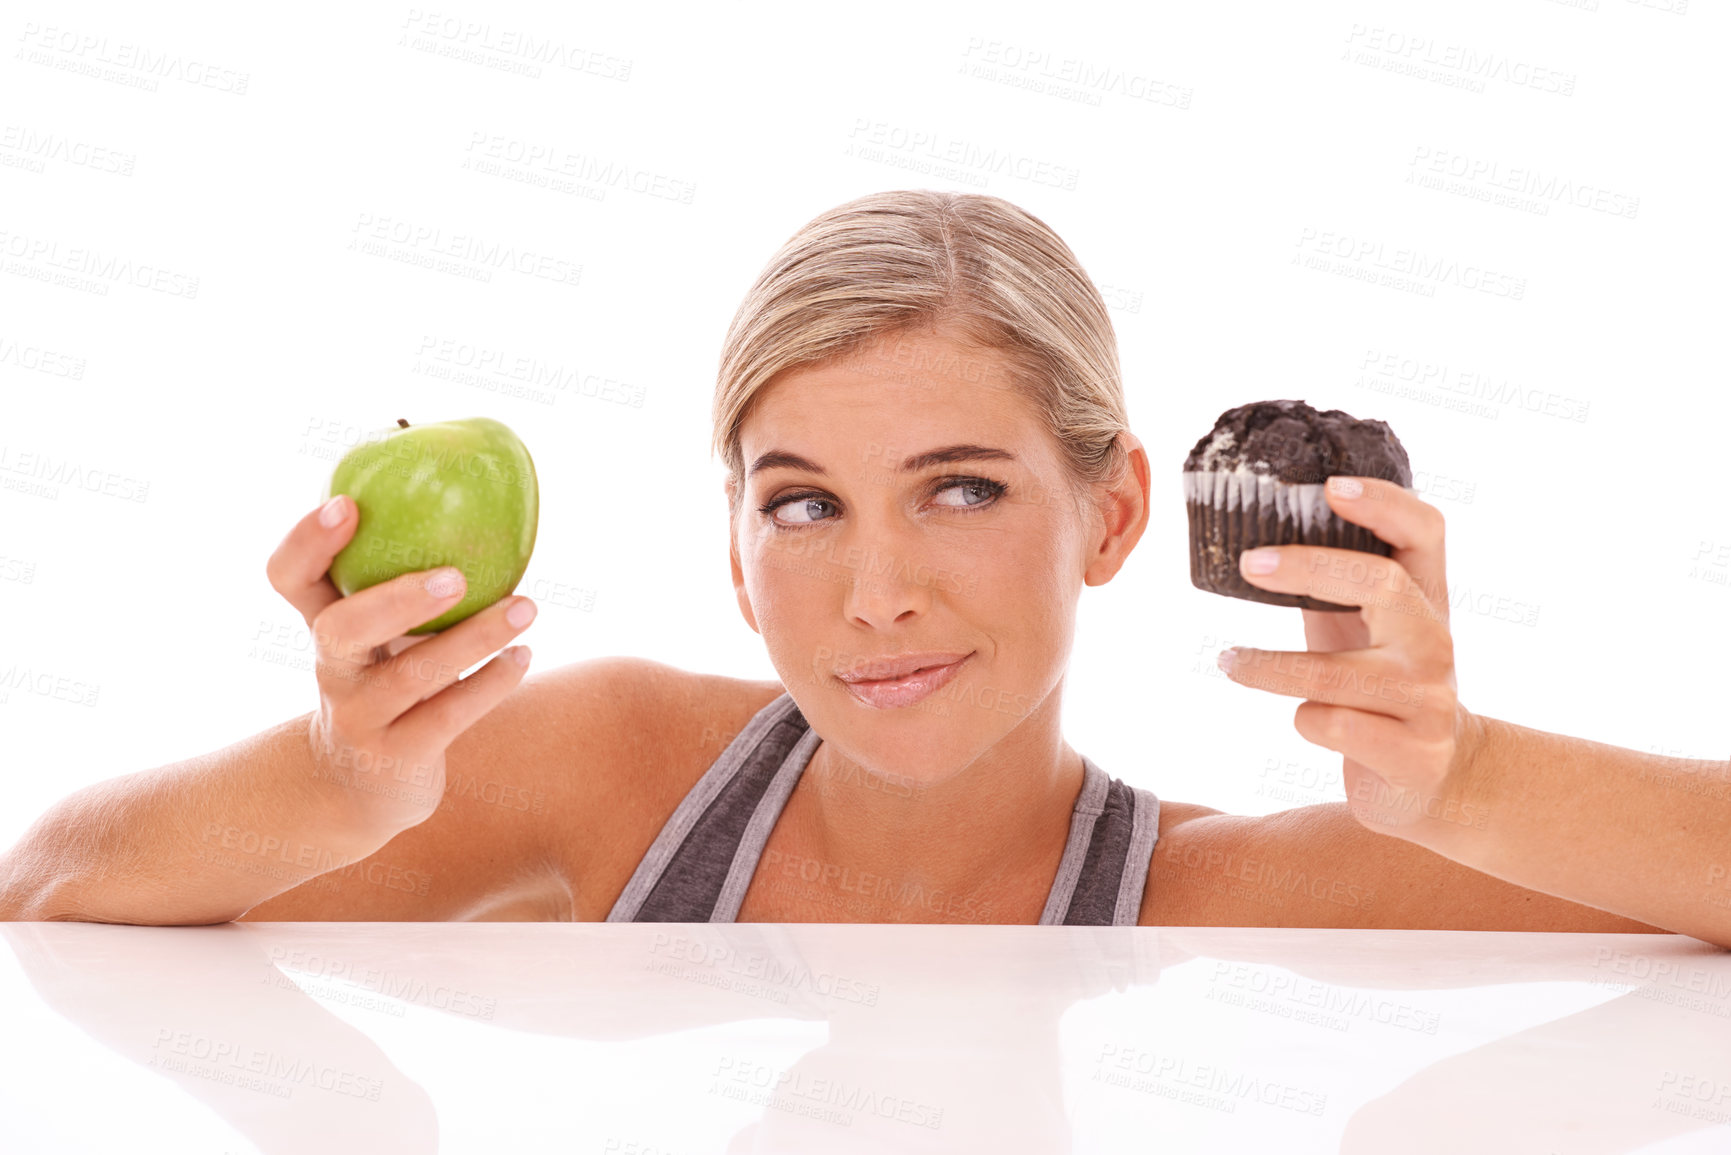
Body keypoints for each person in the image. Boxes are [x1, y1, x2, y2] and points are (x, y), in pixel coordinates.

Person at [2, 190, 1725, 947]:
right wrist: (334, 775)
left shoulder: (1210, 901)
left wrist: (1471, 776)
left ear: (1115, 513)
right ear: (738, 555)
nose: (877, 590)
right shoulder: (605, 773)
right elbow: (49, 894)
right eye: (806, 505)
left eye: (962, 490)